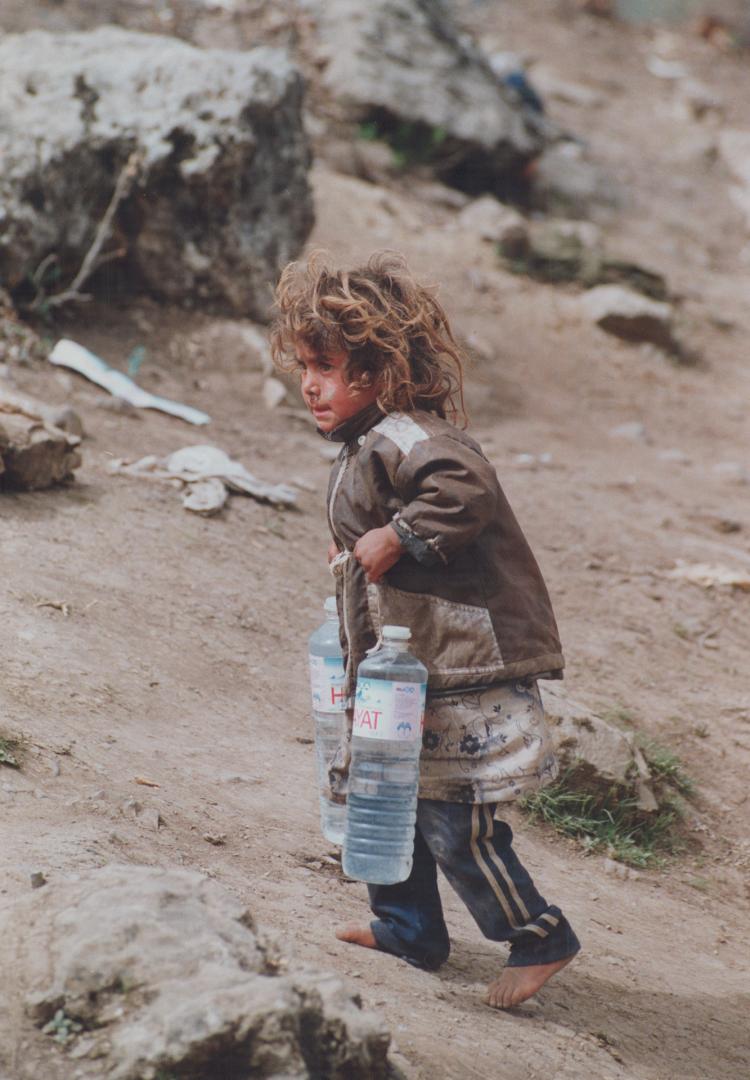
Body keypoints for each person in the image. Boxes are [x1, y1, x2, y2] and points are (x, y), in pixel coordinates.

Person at [270, 251, 580, 1009]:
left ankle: (539, 934)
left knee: (451, 813)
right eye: (304, 365)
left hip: (468, 662)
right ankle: (408, 927)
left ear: (373, 373)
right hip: (411, 666)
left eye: (326, 366)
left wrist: (399, 536)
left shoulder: (410, 436)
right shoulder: (363, 447)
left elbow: (464, 488)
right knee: (390, 792)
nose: (309, 383)